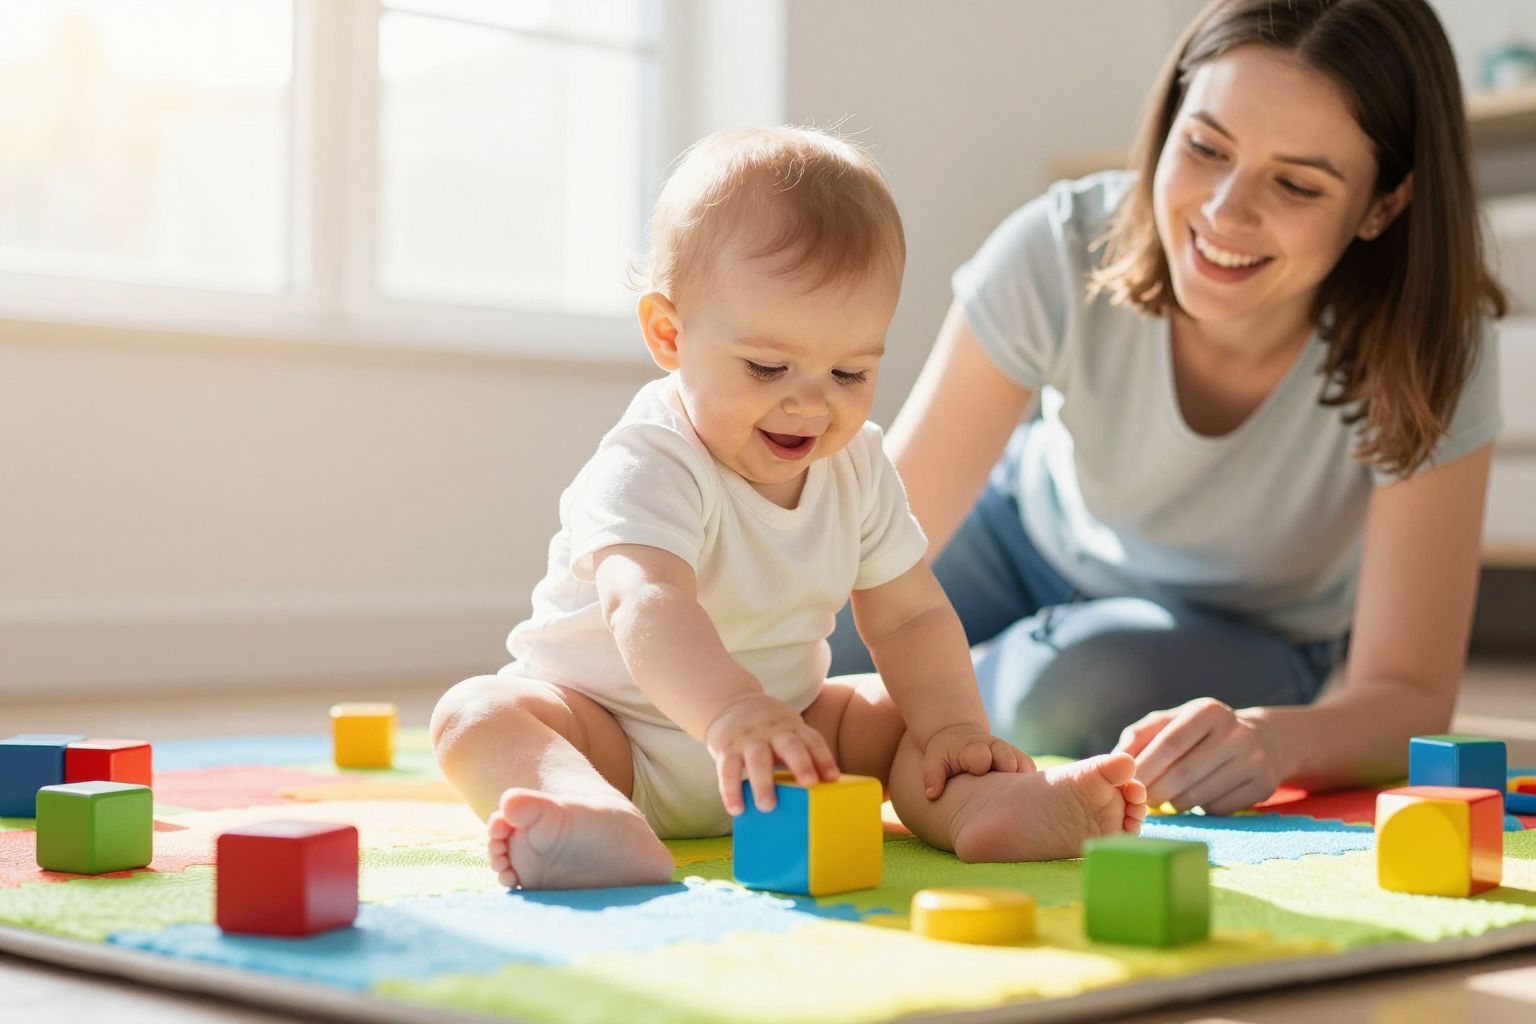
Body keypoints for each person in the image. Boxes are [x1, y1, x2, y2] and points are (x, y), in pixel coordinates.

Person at [831, 0, 1508, 816]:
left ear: (1383, 205)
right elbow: (858, 546)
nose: (1224, 212)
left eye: (1296, 184)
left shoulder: (1433, 343)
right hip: (1023, 538)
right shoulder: (1060, 246)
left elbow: (1409, 693)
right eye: (1205, 147)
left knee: (1062, 699)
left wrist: (1272, 741)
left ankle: (877, 723)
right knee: (805, 635)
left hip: (1239, 628)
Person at [430, 127, 1148, 890]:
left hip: (790, 744)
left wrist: (954, 730)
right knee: (476, 713)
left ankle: (984, 807)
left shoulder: (857, 464)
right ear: (669, 334)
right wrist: (729, 710)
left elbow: (909, 615)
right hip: (614, 736)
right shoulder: (651, 457)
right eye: (768, 367)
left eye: (849, 372)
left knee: (903, 712)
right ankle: (586, 814)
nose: (810, 403)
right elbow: (646, 599)